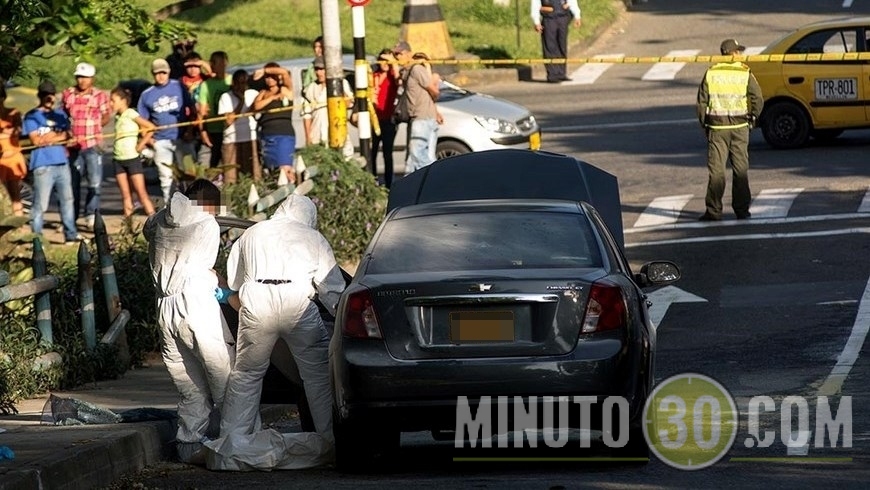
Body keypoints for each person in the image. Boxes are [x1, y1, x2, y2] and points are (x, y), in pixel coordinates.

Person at [219, 194, 345, 450]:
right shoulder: (313, 237)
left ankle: (231, 444)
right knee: (317, 377)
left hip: (257, 301)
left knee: (247, 375)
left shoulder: (252, 234)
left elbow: (235, 280)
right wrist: (343, 321)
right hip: (298, 303)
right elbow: (332, 290)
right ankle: (331, 442)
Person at [143, 178, 235, 465]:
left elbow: (147, 230)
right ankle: (237, 441)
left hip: (164, 305)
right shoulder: (207, 224)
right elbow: (205, 265)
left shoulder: (158, 219)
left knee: (188, 383)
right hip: (195, 302)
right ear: (209, 204)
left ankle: (188, 443)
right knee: (223, 374)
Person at [697, 38, 764, 221]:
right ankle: (742, 210)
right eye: (738, 51)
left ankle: (714, 211)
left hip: (717, 128)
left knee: (716, 171)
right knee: (740, 170)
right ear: (733, 53)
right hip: (739, 128)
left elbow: (701, 102)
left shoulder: (711, 72)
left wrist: (705, 124)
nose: (740, 54)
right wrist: (753, 118)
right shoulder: (744, 72)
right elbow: (758, 98)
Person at [22, 80, 80, 243]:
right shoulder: (32, 116)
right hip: (42, 165)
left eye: (52, 95)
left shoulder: (60, 114)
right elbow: (36, 140)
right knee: (40, 204)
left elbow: (69, 135)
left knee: (67, 200)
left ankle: (70, 235)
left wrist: (51, 137)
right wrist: (58, 136)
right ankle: (37, 238)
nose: (49, 98)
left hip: (62, 162)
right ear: (39, 96)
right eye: (45, 95)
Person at [138, 58, 196, 206]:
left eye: (163, 73)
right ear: (153, 74)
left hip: (182, 138)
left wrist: (190, 130)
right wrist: (149, 139)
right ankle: (169, 207)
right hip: (161, 140)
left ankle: (192, 205)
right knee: (165, 176)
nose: (161, 76)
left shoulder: (179, 86)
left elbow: (192, 109)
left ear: (168, 72)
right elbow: (142, 121)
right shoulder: (147, 95)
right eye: (157, 73)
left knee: (189, 172)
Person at [61, 62, 111, 229]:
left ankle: (91, 214)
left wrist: (96, 127)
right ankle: (72, 217)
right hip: (74, 147)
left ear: (92, 79)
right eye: (80, 77)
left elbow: (106, 115)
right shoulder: (68, 94)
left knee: (94, 183)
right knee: (73, 184)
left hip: (92, 145)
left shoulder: (99, 95)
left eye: (86, 77)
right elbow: (63, 116)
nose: (82, 81)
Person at [393, 41, 440, 173]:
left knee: (417, 154)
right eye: (395, 54)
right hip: (415, 117)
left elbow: (433, 91)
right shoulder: (407, 71)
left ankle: (434, 176)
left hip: (422, 117)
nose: (397, 57)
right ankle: (413, 183)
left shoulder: (417, 69)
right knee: (411, 159)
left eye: (399, 54)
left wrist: (433, 109)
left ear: (409, 54)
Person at [110, 86, 156, 218]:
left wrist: (141, 144)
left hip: (132, 159)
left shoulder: (130, 113)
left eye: (113, 100)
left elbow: (151, 127)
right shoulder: (117, 117)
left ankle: (154, 219)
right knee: (126, 195)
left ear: (123, 100)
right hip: (118, 159)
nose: (111, 103)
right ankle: (128, 224)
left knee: (141, 193)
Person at [301, 56, 354, 159]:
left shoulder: (341, 83)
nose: (319, 73)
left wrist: (337, 88)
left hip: (338, 132)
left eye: (322, 69)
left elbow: (348, 104)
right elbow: (307, 115)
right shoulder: (310, 88)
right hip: (317, 134)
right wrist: (308, 137)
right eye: (317, 69)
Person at [252, 62, 296, 184]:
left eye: (272, 76)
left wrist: (264, 70)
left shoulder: (285, 89)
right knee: (271, 172)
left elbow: (284, 72)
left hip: (283, 136)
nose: (270, 79)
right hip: (267, 136)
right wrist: (272, 98)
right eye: (267, 77)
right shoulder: (263, 93)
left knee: (285, 170)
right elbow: (256, 107)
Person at [218, 69, 259, 184]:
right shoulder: (226, 97)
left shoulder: (253, 94)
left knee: (253, 174)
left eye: (244, 83)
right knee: (230, 176)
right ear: (233, 83)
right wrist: (241, 101)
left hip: (250, 138)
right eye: (238, 83)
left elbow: (256, 113)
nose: (241, 86)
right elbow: (229, 121)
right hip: (231, 140)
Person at [531, 0, 582, 83]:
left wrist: (577, 15)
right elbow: (535, 4)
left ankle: (561, 73)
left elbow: (572, 1)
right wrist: (536, 22)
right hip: (549, 19)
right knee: (550, 47)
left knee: (562, 46)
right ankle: (552, 74)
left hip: (563, 17)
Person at [371, 49, 400, 188]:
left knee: (387, 153)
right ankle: (373, 181)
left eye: (387, 61)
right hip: (374, 119)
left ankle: (389, 184)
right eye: (382, 60)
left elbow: (399, 80)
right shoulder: (374, 76)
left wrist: (393, 61)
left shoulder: (392, 76)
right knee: (372, 153)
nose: (385, 63)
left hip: (388, 119)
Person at [198, 51, 232, 169]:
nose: (212, 65)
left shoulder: (232, 81)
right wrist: (203, 132)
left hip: (230, 129)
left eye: (215, 62)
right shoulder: (206, 85)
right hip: (213, 129)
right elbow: (202, 111)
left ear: (225, 63)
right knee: (211, 164)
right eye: (211, 62)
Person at [0, 83, 26, 216]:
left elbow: (18, 130)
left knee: (15, 193)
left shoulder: (14, 112)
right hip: (1, 159)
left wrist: (5, 133)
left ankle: (18, 221)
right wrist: (8, 133)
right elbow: (12, 132)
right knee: (2, 194)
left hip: (13, 157)